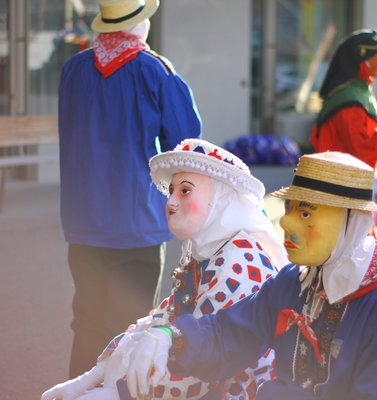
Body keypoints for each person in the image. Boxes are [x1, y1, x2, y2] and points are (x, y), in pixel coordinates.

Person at [120, 151, 377, 400]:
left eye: (305, 213)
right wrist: (171, 336)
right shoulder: (294, 282)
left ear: (350, 222)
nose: (286, 222)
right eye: (289, 208)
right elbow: (229, 334)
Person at [41, 138, 289, 400]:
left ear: (221, 199)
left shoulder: (240, 262)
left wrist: (120, 393)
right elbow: (164, 318)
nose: (171, 201)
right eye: (172, 191)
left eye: (185, 191)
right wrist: (96, 374)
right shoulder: (208, 254)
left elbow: (206, 361)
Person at [58, 0, 202, 378]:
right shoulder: (155, 70)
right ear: (140, 24)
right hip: (136, 222)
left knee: (86, 321)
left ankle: (80, 391)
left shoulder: (73, 69)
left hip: (82, 221)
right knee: (130, 327)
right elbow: (186, 145)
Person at [310, 29, 377, 168]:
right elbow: (362, 149)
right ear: (364, 61)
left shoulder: (360, 91)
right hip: (340, 179)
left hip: (352, 177)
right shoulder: (348, 100)